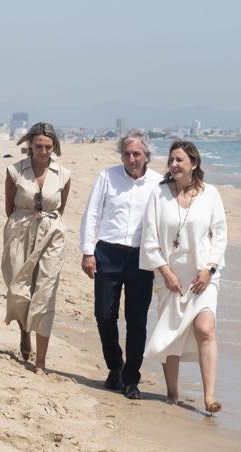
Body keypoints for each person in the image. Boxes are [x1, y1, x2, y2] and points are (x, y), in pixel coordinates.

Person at [139, 140, 227, 415]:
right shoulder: (159, 194)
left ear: (194, 164)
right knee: (171, 333)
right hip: (170, 278)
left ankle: (209, 396)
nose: (174, 165)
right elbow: (150, 237)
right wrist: (165, 272)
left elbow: (220, 235)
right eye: (172, 160)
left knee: (205, 329)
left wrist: (209, 268)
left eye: (180, 160)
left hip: (203, 276)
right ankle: (172, 392)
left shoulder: (210, 194)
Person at [79, 131, 162, 399]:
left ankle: (131, 380)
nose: (131, 158)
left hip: (142, 257)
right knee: (104, 315)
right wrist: (87, 251)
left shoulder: (159, 184)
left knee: (137, 320)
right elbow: (92, 213)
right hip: (108, 253)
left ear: (146, 155)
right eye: (126, 154)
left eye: (137, 153)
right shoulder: (107, 177)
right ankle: (115, 367)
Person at [1, 122, 71, 374]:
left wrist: (46, 224)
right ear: (30, 144)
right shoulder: (14, 171)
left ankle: (41, 361)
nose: (43, 151)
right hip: (20, 229)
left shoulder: (64, 174)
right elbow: (8, 207)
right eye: (39, 146)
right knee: (19, 287)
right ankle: (24, 331)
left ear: (54, 147)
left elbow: (59, 210)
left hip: (51, 233)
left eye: (48, 147)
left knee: (45, 290)